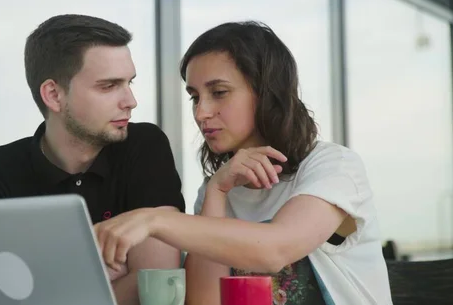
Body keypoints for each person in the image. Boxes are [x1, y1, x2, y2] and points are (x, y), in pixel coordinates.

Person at [94, 21, 392, 304]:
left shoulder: (333, 167)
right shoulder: (220, 190)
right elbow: (206, 302)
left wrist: (153, 220)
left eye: (219, 93)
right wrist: (215, 193)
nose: (201, 113)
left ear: (266, 92)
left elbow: (276, 249)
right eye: (195, 97)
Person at [0, 14, 186, 305]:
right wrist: (113, 275)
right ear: (53, 94)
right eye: (109, 86)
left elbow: (156, 285)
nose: (130, 100)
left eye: (129, 83)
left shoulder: (144, 146)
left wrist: (50, 288)